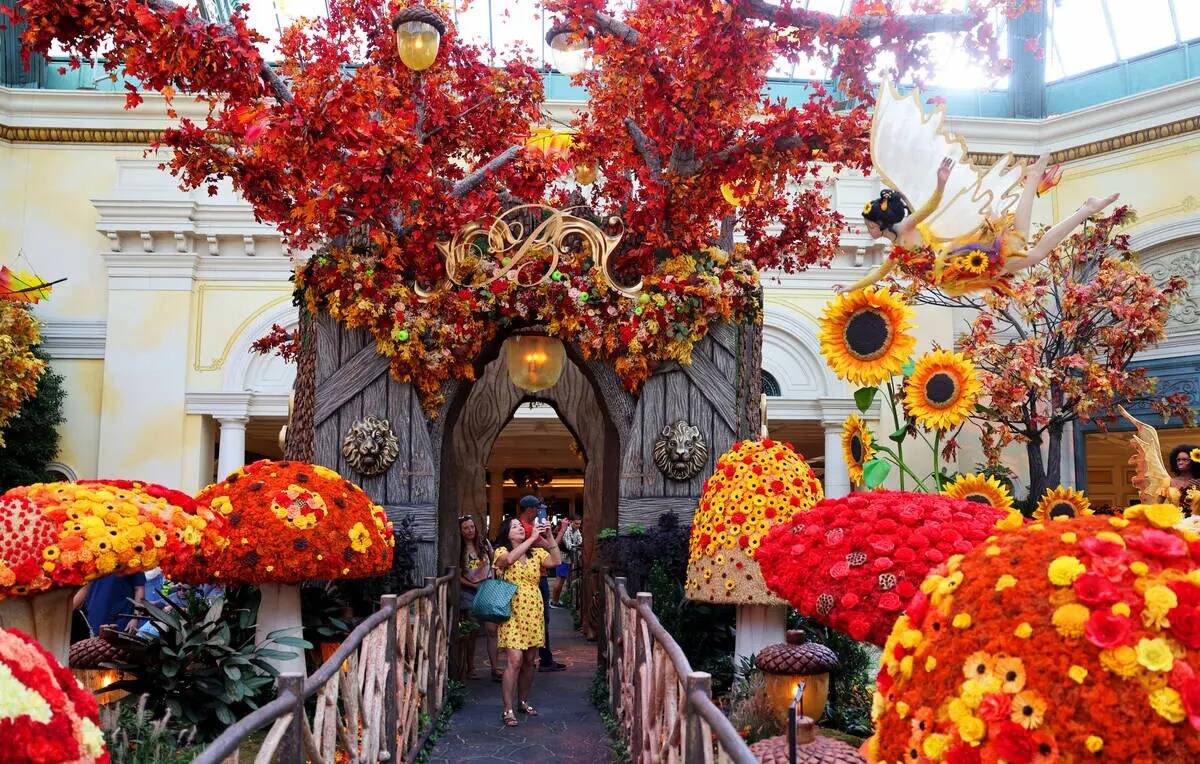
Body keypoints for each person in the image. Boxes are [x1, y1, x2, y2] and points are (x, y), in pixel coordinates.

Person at [844, 81, 1118, 296]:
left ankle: (1080, 206)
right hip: (960, 273)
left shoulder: (906, 228)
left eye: (869, 225)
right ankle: (1047, 186)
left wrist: (940, 182)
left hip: (962, 263)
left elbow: (930, 207)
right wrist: (849, 287)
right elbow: (877, 275)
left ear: (881, 222)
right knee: (1022, 243)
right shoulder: (896, 251)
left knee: (1030, 252)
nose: (868, 231)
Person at [492, 515, 562, 727]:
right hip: (512, 611)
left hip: (533, 611)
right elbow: (508, 561)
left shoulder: (536, 553)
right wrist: (532, 538)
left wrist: (549, 536)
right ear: (507, 534)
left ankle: (522, 701)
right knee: (514, 661)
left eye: (520, 526)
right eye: (515, 527)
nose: (520, 529)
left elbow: (556, 561)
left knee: (530, 661)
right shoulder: (501, 551)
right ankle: (508, 708)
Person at [517, 495, 568, 671]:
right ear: (531, 510)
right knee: (540, 618)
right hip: (536, 577)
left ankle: (533, 657)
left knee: (533, 618)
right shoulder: (528, 529)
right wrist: (558, 532)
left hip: (532, 576)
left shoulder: (523, 527)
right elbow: (551, 548)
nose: (540, 512)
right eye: (538, 509)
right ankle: (541, 659)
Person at [458, 515, 500, 681]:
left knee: (492, 629)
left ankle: (495, 668)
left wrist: (494, 578)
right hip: (470, 590)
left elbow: (494, 560)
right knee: (472, 631)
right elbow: (457, 574)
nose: (470, 531)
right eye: (466, 528)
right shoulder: (459, 549)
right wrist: (472, 585)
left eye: (472, 527)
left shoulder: (483, 544)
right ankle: (470, 667)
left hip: (488, 587)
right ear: (460, 531)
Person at [73, 572, 146, 636]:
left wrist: (135, 618)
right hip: (93, 619)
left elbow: (139, 588)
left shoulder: (132, 559)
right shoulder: (91, 559)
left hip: (122, 621)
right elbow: (83, 589)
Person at [550, 517, 582, 608]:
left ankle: (555, 600)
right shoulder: (567, 531)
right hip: (562, 556)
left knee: (562, 579)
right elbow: (568, 546)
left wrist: (576, 545)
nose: (578, 525)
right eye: (576, 523)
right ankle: (554, 601)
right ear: (571, 522)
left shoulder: (576, 530)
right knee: (559, 579)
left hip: (567, 557)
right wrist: (577, 545)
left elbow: (580, 540)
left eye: (579, 524)